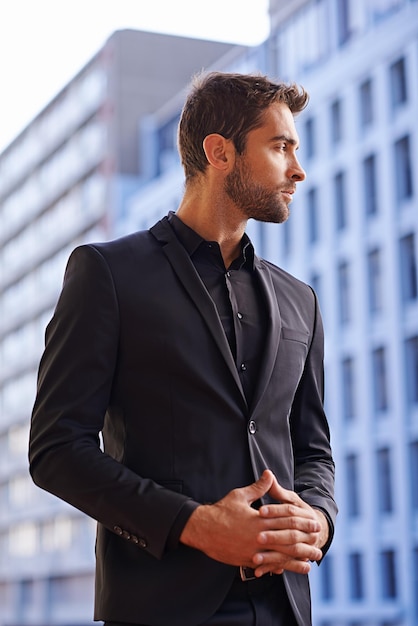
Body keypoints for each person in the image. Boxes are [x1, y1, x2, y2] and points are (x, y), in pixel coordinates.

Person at [29, 71, 337, 626]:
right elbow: (56, 450)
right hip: (159, 606)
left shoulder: (301, 301)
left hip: (284, 608)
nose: (298, 168)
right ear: (219, 152)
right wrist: (196, 524)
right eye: (280, 146)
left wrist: (318, 519)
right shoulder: (107, 274)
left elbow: (312, 449)